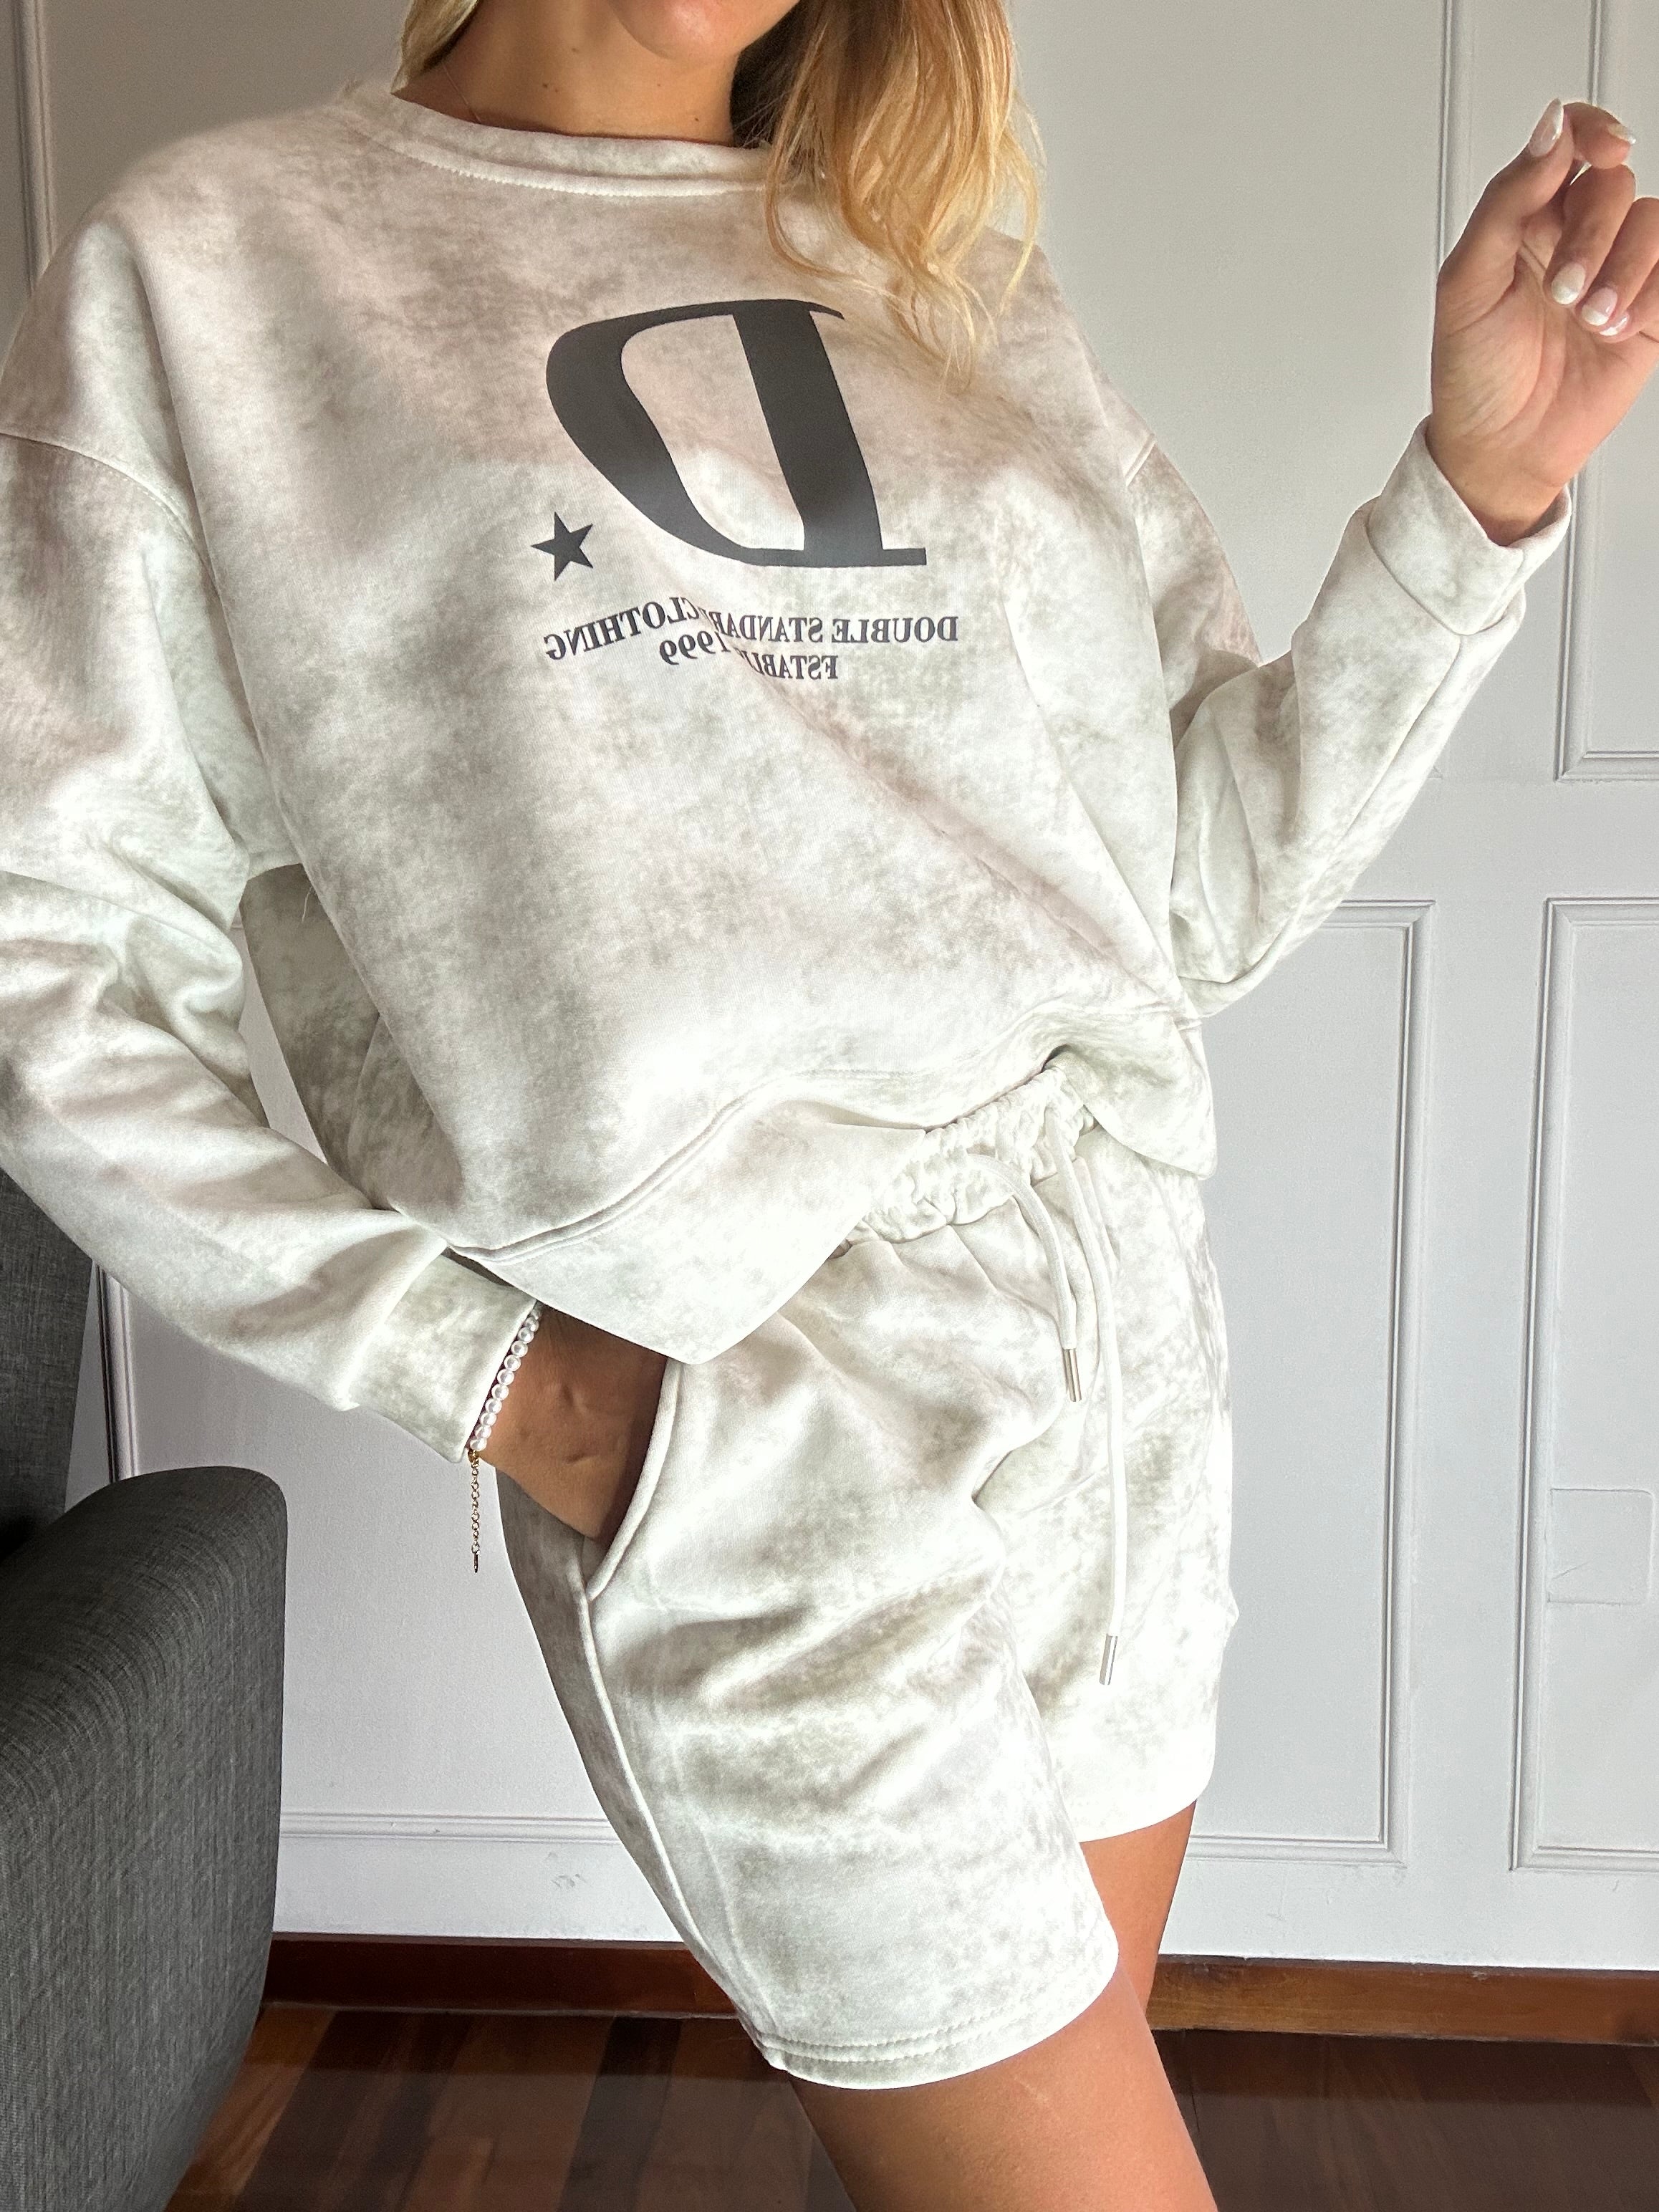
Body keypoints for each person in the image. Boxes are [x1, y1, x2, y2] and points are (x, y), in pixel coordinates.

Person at [0, 0, 1649, 2197]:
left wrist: (1477, 497)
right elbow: (50, 978)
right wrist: (523, 1386)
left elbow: (1183, 899)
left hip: (1114, 1352)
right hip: (749, 1408)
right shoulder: (209, 266)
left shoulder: (938, 275)